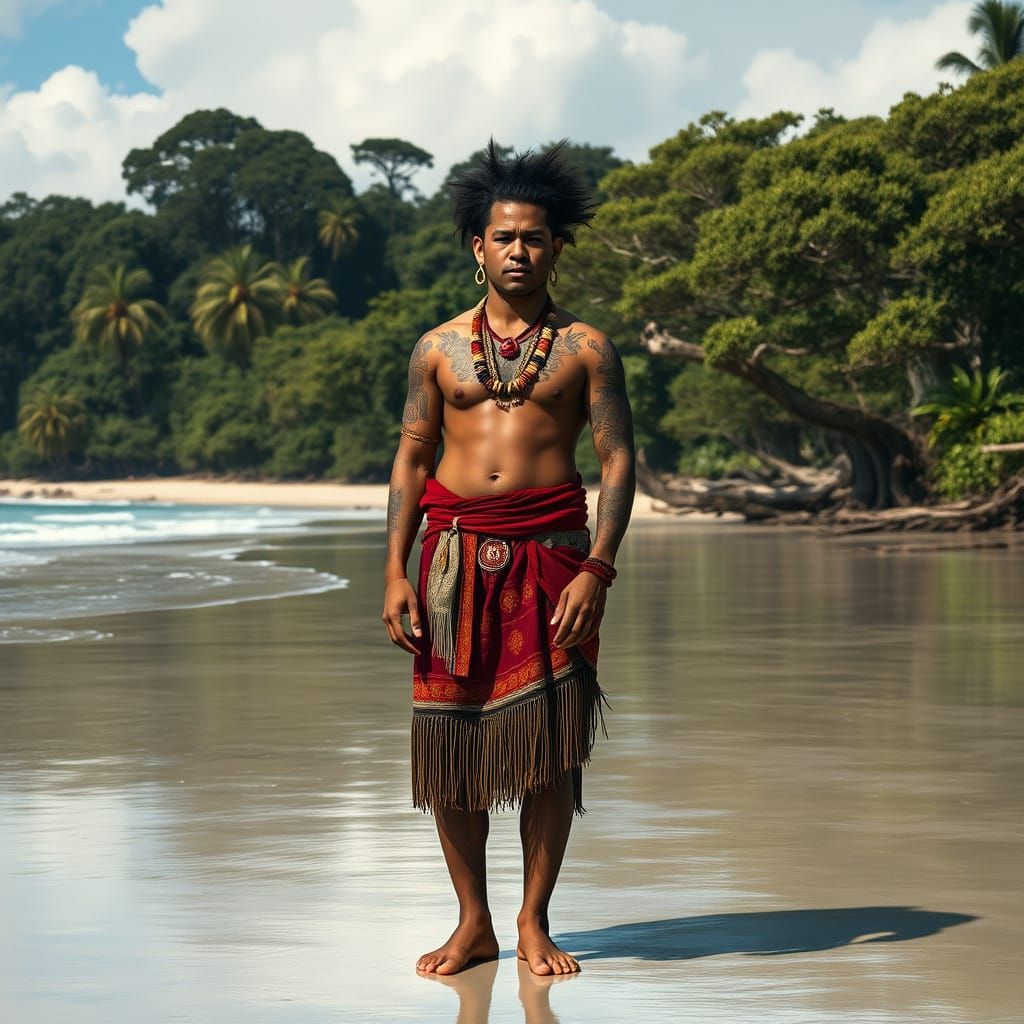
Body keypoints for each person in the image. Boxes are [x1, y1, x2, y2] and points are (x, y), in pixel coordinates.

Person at [382, 140, 636, 978]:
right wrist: (393, 571)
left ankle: (532, 921)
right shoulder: (437, 350)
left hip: (554, 561)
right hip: (449, 565)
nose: (519, 250)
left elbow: (618, 463)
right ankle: (473, 923)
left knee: (549, 751)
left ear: (556, 247)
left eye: (535, 237)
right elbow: (413, 457)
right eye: (504, 237)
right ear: (476, 247)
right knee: (452, 748)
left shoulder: (588, 349)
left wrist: (598, 571)